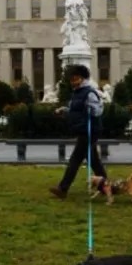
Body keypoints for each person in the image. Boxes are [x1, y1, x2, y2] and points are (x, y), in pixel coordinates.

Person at [49, 65, 107, 199]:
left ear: (82, 78)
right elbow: (75, 110)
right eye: (71, 80)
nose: (73, 82)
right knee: (94, 161)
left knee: (75, 159)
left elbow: (98, 110)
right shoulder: (77, 93)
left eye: (76, 79)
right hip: (83, 129)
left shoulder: (89, 92)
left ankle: (63, 189)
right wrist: (64, 110)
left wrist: (90, 109)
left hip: (90, 130)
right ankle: (106, 186)